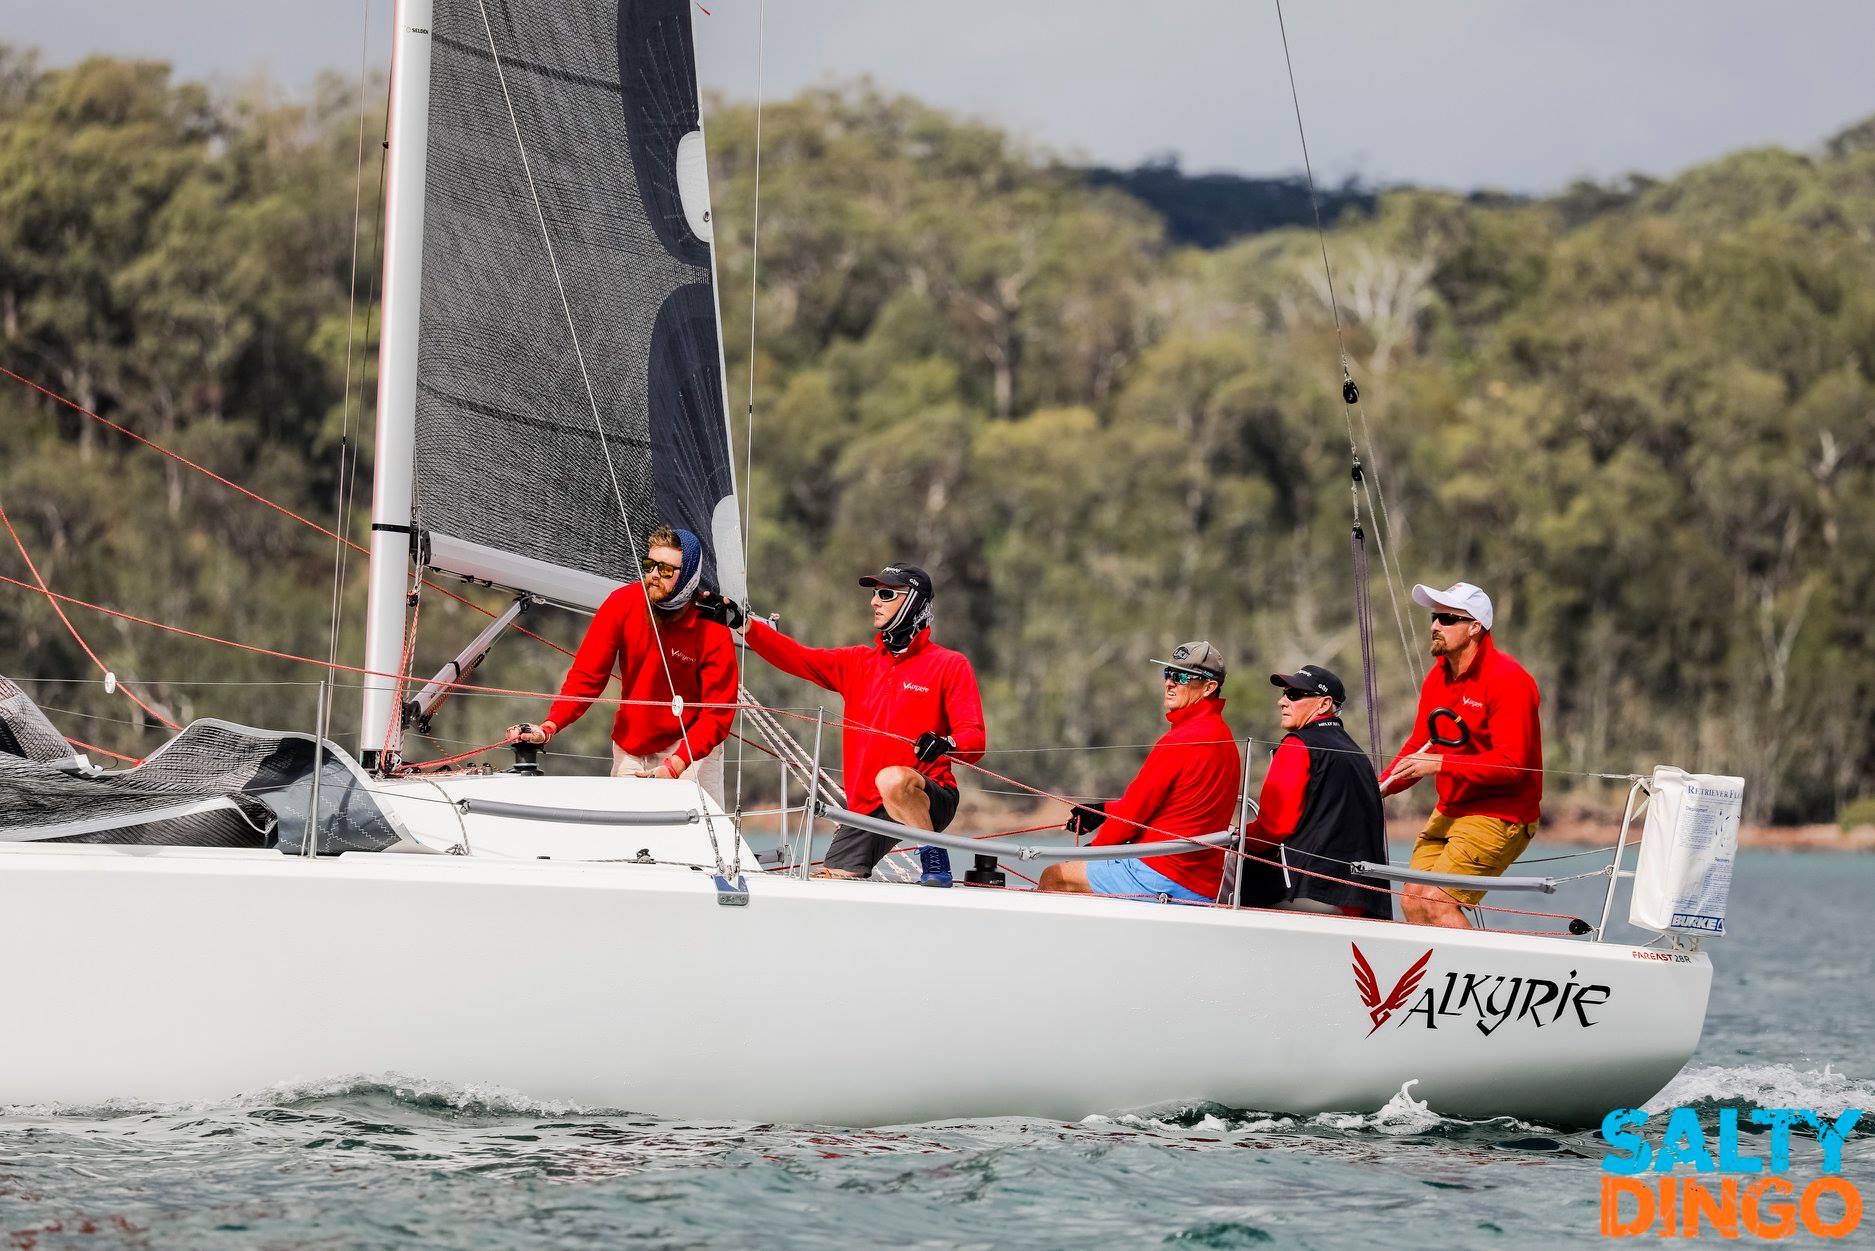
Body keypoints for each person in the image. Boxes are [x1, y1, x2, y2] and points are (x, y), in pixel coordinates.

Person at [722, 564, 986, 885]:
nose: (874, 601)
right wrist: (744, 624)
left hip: (929, 796)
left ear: (913, 601)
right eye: (874, 594)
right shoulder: (858, 662)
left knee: (891, 779)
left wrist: (947, 744)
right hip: (867, 809)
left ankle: (935, 861)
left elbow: (974, 739)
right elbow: (798, 657)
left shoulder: (950, 664)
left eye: (886, 594)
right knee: (829, 882)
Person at [507, 526, 738, 805]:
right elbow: (586, 676)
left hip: (691, 749)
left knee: (698, 830)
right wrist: (548, 727)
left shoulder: (712, 626)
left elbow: (717, 714)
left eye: (666, 570)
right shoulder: (621, 603)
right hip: (632, 748)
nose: (654, 575)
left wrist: (676, 764)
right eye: (650, 565)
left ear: (688, 575)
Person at [1380, 581, 1543, 929]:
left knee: (1437, 902)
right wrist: (1378, 788)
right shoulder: (1437, 678)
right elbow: (1418, 746)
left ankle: (1481, 964)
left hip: (1501, 814)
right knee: (1412, 900)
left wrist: (1440, 763)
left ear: (1474, 627)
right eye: (1434, 617)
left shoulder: (1509, 679)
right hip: (1450, 810)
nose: (1435, 625)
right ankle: (1438, 967)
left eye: (1447, 619)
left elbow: (1513, 766)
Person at [1039, 642, 1240, 904]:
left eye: (1181, 677)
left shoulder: (1182, 739)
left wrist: (1092, 852)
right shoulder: (1225, 738)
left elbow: (1132, 816)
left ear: (1209, 687)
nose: (1169, 683)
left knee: (1055, 876)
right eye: (1168, 673)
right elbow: (1172, 804)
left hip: (1163, 875)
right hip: (1201, 883)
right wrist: (1104, 811)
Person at [1230, 665, 1390, 920]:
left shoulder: (1297, 745)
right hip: (1366, 902)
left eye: (1294, 695)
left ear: (1324, 704)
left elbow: (1273, 829)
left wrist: (1232, 837)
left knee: (1218, 881)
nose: (1282, 701)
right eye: (1284, 694)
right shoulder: (1358, 754)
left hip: (1313, 893)